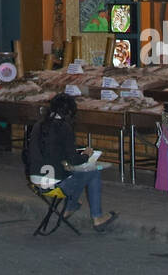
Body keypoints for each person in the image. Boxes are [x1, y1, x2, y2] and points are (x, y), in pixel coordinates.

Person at [26, 93, 117, 231]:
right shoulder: (64, 127)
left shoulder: (38, 125)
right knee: (93, 172)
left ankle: (72, 206)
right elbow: (74, 160)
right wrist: (86, 155)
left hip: (36, 183)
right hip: (55, 186)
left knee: (75, 175)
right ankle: (97, 218)